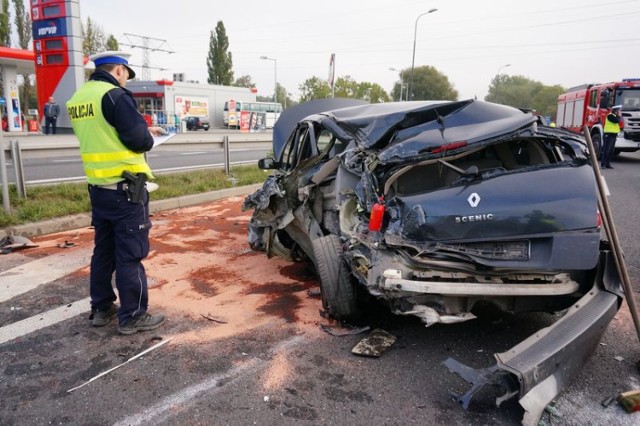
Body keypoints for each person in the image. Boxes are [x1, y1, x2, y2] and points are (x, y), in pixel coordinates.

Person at [66, 51, 166, 335]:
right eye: (125, 75)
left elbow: (104, 133)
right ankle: (132, 316)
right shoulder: (115, 96)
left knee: (104, 251)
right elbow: (139, 141)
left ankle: (101, 308)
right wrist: (149, 136)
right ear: (120, 70)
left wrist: (144, 128)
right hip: (126, 191)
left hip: (98, 188)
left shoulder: (80, 98)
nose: (124, 80)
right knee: (130, 254)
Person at [601, 105, 623, 169]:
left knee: (611, 151)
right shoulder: (610, 115)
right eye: (619, 110)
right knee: (606, 150)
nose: (620, 111)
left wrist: (619, 116)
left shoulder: (615, 116)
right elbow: (618, 120)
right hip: (608, 134)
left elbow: (620, 120)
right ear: (616, 110)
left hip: (613, 135)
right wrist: (619, 115)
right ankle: (603, 164)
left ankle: (608, 164)